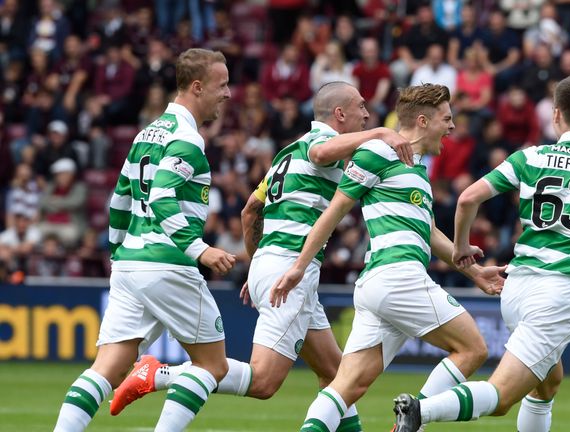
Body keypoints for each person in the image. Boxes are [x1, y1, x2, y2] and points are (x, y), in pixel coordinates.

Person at [108, 81, 413, 431]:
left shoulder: (288, 153)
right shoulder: (318, 146)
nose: (367, 114)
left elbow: (250, 211)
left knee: (335, 374)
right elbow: (321, 154)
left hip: (270, 263)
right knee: (264, 381)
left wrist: (256, 267)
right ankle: (161, 374)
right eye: (361, 107)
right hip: (291, 270)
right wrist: (380, 133)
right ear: (340, 114)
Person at [392, 75, 570, 432]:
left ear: (556, 114)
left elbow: (468, 198)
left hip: (516, 289)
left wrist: (461, 248)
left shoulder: (530, 156)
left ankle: (421, 412)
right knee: (501, 397)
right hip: (559, 291)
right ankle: (420, 412)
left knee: (547, 383)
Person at [271, 83, 506, 432]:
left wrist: (476, 273)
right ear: (423, 121)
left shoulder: (417, 169)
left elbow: (430, 233)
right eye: (446, 119)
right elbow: (334, 211)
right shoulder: (379, 152)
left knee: (346, 387)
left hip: (379, 285)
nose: (452, 126)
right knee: (472, 349)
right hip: (398, 276)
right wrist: (298, 267)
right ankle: (414, 420)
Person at [52, 48, 237, 432]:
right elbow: (162, 196)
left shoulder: (146, 133)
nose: (228, 93)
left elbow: (119, 199)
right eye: (221, 85)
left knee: (105, 369)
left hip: (130, 262)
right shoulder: (187, 138)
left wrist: (118, 253)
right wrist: (200, 250)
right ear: (197, 87)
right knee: (212, 365)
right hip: (167, 264)